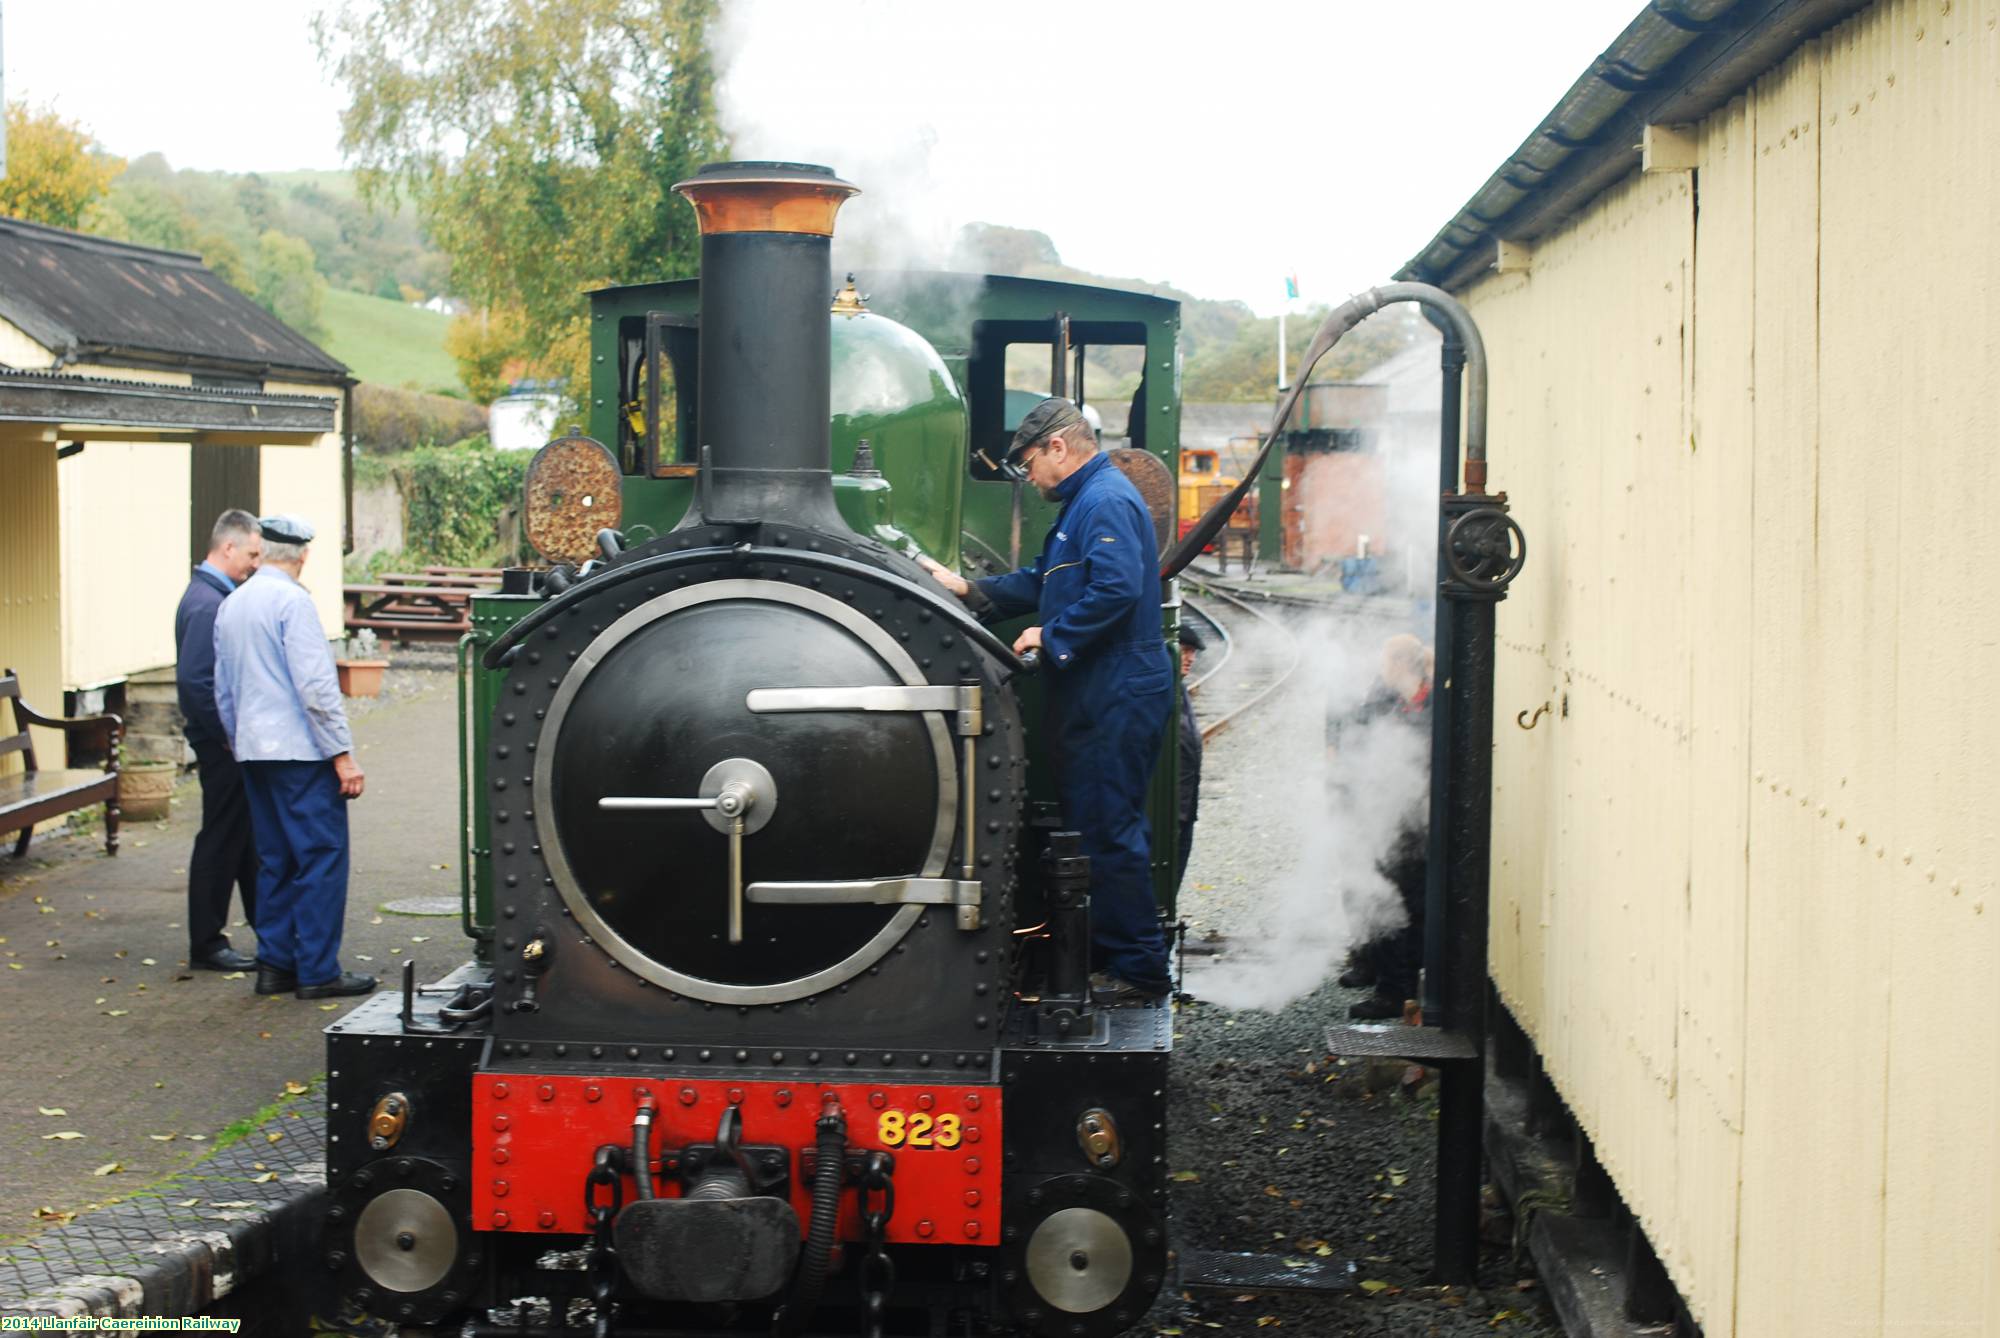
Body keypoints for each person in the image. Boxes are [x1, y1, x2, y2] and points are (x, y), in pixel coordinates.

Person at [921, 397, 1173, 1005]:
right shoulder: (1083, 505)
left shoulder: (1104, 500)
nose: (1028, 479)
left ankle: (1140, 973)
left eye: (1028, 464)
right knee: (1096, 823)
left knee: (1109, 828)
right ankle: (1114, 957)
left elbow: (1114, 587)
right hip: (1101, 686)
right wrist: (972, 590)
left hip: (1116, 686)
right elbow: (1043, 580)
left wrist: (1051, 634)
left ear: (1058, 447)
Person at [213, 514, 375, 1001]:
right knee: (321, 857)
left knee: (274, 860)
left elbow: (222, 687)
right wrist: (342, 755)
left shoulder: (233, 603)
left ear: (264, 552)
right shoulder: (293, 603)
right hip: (300, 754)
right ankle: (318, 970)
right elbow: (317, 687)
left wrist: (236, 738)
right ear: (302, 556)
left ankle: (275, 964)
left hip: (252, 751)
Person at [174, 509, 264, 972]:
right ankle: (207, 943)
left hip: (223, 742)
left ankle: (264, 930)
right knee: (221, 839)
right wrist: (228, 738)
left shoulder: (209, 596)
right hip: (221, 746)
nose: (254, 564)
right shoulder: (208, 603)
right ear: (227, 547)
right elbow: (194, 683)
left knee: (240, 837)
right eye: (251, 553)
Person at [1327, 633, 1433, 1021]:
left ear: (1401, 666)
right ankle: (1391, 981)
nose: (1381, 670)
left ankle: (1397, 991)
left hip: (1413, 822)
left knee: (1403, 907)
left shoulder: (1429, 707)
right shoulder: (1386, 700)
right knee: (1385, 901)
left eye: (1387, 663)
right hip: (1382, 816)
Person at [1173, 621, 1205, 893]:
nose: (1190, 658)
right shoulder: (1165, 691)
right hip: (1171, 808)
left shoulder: (1180, 688)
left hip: (1185, 806)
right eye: (1185, 650)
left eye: (1193, 652)